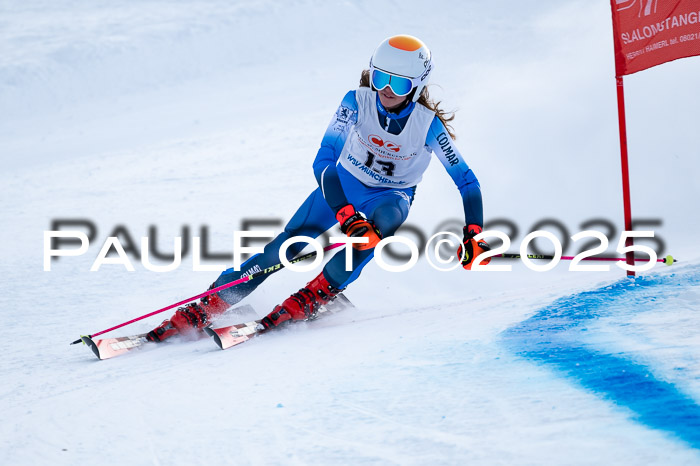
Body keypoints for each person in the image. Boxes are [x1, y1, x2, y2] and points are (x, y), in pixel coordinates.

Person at [146, 34, 490, 342]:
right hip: (344, 185)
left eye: (399, 85)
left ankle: (317, 295)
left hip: (391, 196)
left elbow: (467, 181)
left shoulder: (428, 126)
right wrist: (346, 212)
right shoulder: (356, 101)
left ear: (417, 87)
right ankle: (214, 302)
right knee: (284, 249)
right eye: (380, 78)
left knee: (376, 228)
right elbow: (324, 161)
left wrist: (473, 234)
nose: (386, 89)